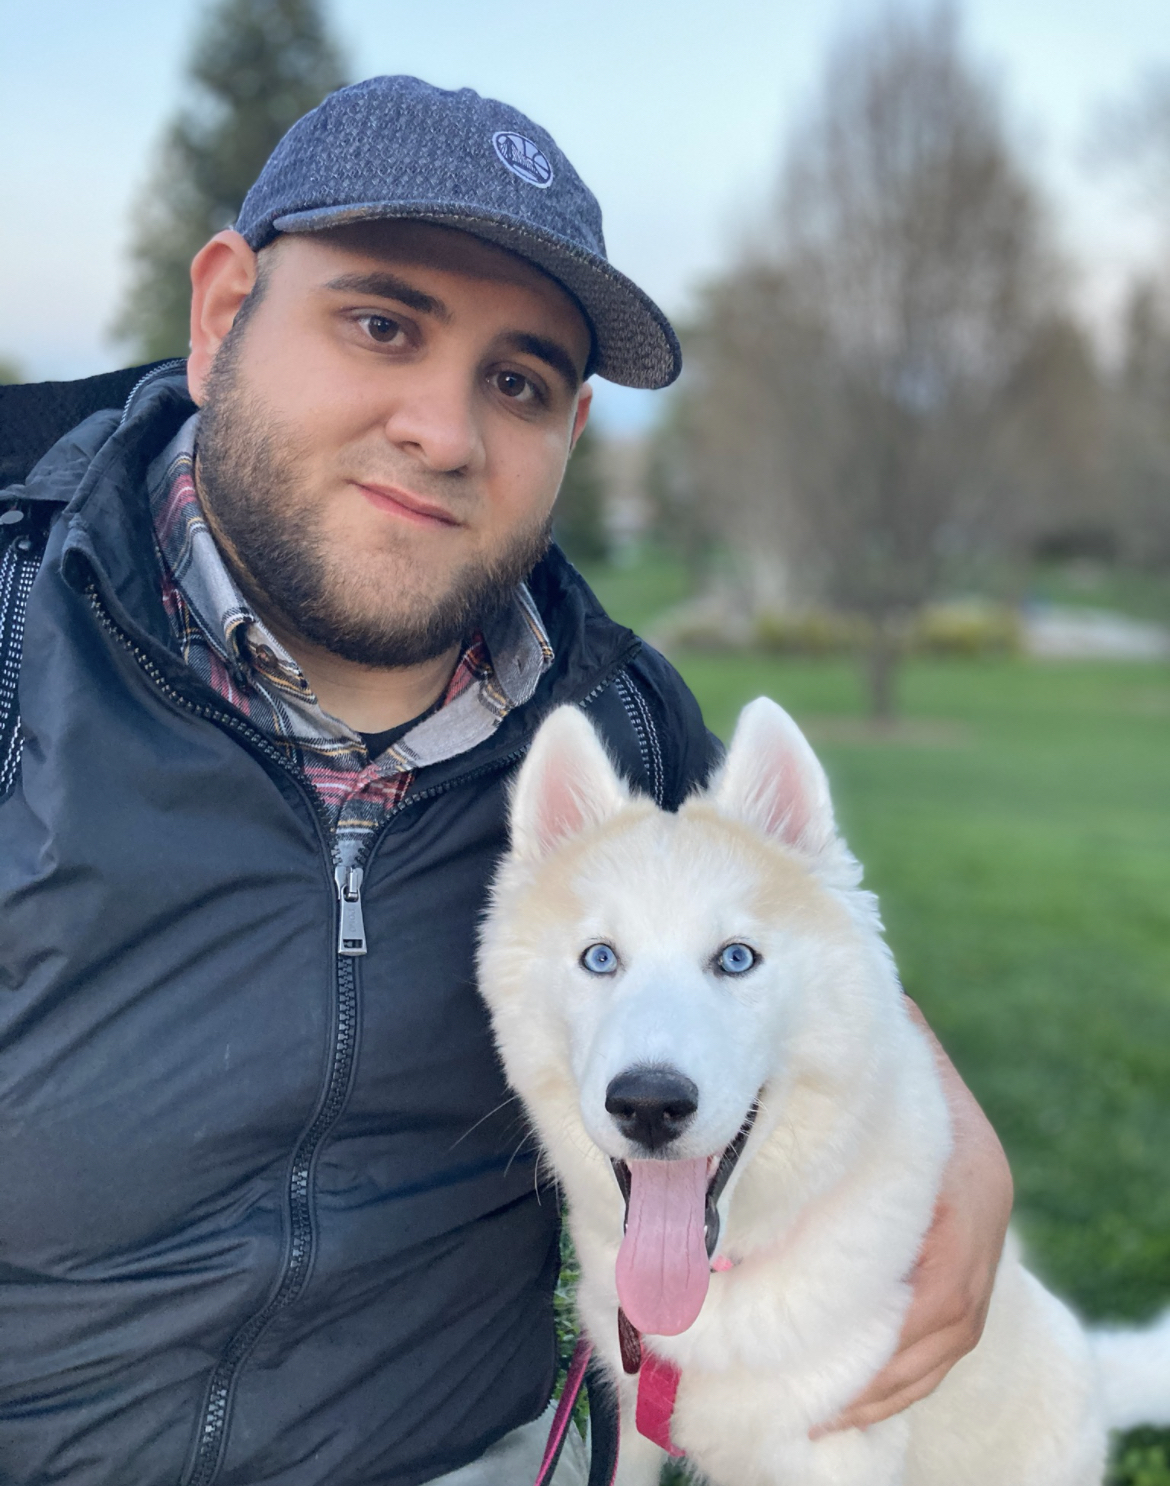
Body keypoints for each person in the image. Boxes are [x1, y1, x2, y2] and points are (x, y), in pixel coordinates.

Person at [0, 76, 1012, 1486]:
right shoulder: (21, 640)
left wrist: (958, 1129)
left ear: (571, 431)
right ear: (225, 312)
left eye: (517, 381)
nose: (445, 430)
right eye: (382, 324)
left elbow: (786, 927)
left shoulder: (616, 719)